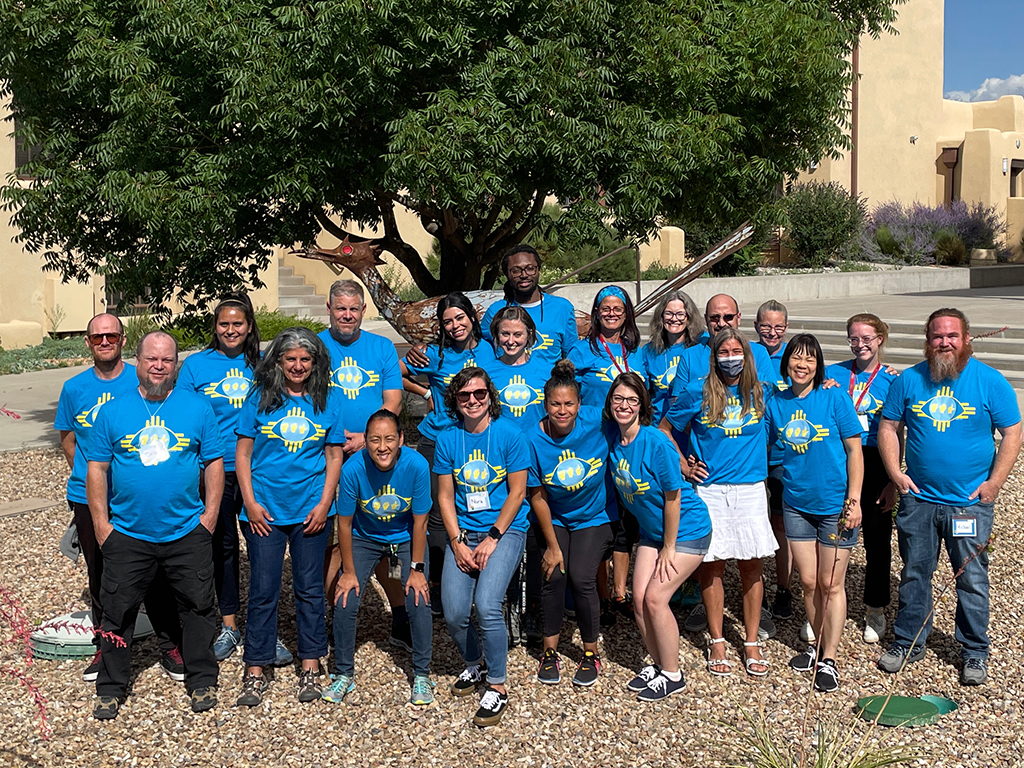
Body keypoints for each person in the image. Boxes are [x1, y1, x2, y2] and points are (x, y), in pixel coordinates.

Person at [877, 308, 1022, 686]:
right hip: (919, 502)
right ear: (928, 341)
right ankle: (908, 641)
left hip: (968, 503)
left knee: (971, 578)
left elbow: (1012, 433)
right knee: (914, 574)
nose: (944, 343)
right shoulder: (909, 380)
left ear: (967, 338)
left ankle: (974, 650)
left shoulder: (990, 381)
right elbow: (889, 427)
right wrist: (895, 473)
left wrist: (993, 485)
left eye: (952, 336)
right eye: (937, 336)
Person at [86, 331, 224, 720]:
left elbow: (213, 463)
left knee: (198, 607)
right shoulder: (113, 411)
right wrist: (101, 524)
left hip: (185, 531)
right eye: (151, 359)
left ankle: (202, 680)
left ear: (176, 364)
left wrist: (209, 516)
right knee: (117, 612)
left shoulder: (198, 408)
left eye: (166, 359)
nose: (158, 366)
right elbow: (97, 468)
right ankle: (111, 688)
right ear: (138, 361)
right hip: (128, 533)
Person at [55, 314, 183, 685]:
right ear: (88, 343)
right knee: (100, 575)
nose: (105, 341)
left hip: (138, 496)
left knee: (157, 571)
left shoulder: (142, 376)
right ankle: (105, 643)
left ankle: (169, 644)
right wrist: (90, 476)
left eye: (111, 335)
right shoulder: (74, 388)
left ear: (124, 340)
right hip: (89, 494)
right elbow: (68, 437)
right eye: (98, 337)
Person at [234, 328, 345, 707]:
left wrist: (324, 502)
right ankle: (256, 667)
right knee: (263, 589)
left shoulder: (328, 399)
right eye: (290, 359)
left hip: (311, 510)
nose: (298, 366)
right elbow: (244, 455)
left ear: (315, 362)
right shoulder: (259, 398)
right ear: (278, 361)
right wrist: (249, 503)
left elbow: (334, 457)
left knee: (310, 589)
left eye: (305, 359)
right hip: (264, 509)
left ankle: (311, 663)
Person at [176, 293, 282, 663]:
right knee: (221, 549)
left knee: (262, 549)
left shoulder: (267, 365)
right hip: (215, 471)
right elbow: (184, 416)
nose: (231, 330)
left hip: (259, 471)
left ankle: (264, 627)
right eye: (224, 324)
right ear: (215, 327)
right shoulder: (196, 367)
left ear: (250, 326)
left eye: (238, 323)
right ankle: (229, 624)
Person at [665, 294, 776, 641]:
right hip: (710, 488)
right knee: (711, 565)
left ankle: (752, 640)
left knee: (752, 564)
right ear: (712, 359)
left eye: (736, 352)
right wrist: (683, 465)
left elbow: (799, 394)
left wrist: (827, 383)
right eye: (724, 354)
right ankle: (716, 641)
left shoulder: (760, 392)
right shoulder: (697, 393)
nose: (731, 358)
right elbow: (665, 430)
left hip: (751, 488)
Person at [765, 334, 864, 693]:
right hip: (796, 504)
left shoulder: (834, 396)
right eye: (796, 358)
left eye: (809, 359)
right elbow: (755, 442)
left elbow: (855, 450)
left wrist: (854, 500)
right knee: (808, 582)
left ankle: (831, 659)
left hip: (836, 506)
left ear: (818, 364)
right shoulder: (776, 402)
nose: (802, 365)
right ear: (786, 362)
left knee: (830, 583)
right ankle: (818, 646)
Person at [434, 367, 530, 727]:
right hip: (463, 532)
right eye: (464, 395)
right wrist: (457, 541)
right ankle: (474, 662)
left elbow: (518, 493)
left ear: (490, 396)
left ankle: (498, 685)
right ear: (455, 401)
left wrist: (492, 537)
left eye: (479, 394)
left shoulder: (510, 435)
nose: (472, 400)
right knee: (455, 611)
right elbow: (445, 496)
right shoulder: (448, 440)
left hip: (504, 531)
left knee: (487, 604)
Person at [606, 372, 711, 701]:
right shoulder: (614, 443)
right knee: (637, 599)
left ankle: (672, 673)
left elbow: (673, 497)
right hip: (654, 533)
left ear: (642, 405)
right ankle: (656, 662)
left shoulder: (656, 442)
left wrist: (668, 547)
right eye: (618, 399)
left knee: (655, 598)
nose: (624, 406)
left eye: (632, 400)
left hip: (686, 531)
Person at [318, 279, 409, 649]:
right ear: (329, 308)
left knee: (387, 536)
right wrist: (339, 439)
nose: (347, 315)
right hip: (326, 456)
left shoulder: (381, 347)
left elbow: (393, 402)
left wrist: (366, 440)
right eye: (341, 308)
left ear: (363, 311)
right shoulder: (315, 346)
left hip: (375, 457)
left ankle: (400, 612)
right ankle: (337, 615)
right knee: (332, 542)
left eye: (354, 309)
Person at [325, 410, 434, 706]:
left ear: (401, 439)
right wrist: (348, 571)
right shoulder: (353, 470)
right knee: (346, 597)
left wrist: (417, 569)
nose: (382, 447)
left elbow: (421, 521)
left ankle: (422, 674)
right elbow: (344, 524)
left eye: (389, 439)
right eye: (374, 439)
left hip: (404, 537)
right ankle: (343, 672)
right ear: (366, 442)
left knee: (418, 596)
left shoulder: (417, 465)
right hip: (365, 537)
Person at [401, 292, 494, 615]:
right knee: (436, 513)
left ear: (471, 316)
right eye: (447, 322)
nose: (455, 326)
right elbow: (394, 372)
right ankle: (440, 584)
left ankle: (482, 579)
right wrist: (426, 390)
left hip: (479, 441)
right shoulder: (434, 354)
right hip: (437, 440)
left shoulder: (492, 349)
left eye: (459, 318)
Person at [527, 360, 616, 687]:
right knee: (554, 574)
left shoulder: (596, 421)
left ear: (580, 404)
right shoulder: (533, 439)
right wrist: (551, 546)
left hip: (595, 516)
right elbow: (537, 495)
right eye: (555, 404)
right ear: (545, 403)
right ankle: (549, 651)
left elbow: (631, 419)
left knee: (581, 577)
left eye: (569, 404)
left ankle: (590, 652)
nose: (562, 410)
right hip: (557, 517)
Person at [569, 286, 646, 620]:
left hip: (630, 444)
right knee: (602, 520)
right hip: (594, 445)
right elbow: (561, 391)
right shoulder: (580, 350)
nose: (612, 313)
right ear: (596, 312)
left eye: (618, 308)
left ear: (627, 313)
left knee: (627, 523)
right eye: (605, 307)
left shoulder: (638, 353)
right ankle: (599, 595)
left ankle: (620, 592)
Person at [824, 313, 898, 645]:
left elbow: (903, 431)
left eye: (867, 338)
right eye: (854, 338)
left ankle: (875, 607)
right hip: (841, 459)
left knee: (878, 540)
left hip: (877, 460)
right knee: (832, 534)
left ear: (880, 338)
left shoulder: (895, 380)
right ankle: (824, 605)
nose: (860, 344)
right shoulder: (834, 373)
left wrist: (894, 479)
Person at [754, 300, 795, 624]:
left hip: (782, 456)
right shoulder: (747, 354)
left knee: (781, 525)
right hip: (751, 455)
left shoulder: (794, 358)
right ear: (756, 326)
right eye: (766, 326)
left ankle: (783, 587)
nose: (772, 332)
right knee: (756, 523)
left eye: (778, 327)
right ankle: (757, 588)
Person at [479, 243, 580, 367]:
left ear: (538, 270)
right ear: (507, 275)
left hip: (549, 384)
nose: (524, 275)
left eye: (530, 268)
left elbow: (572, 356)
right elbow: (480, 349)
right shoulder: (496, 311)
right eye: (515, 271)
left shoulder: (561, 308)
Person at [641, 290, 705, 427]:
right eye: (669, 313)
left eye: (680, 314)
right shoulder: (649, 351)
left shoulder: (701, 346)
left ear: (689, 317)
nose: (674, 319)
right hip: (659, 427)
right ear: (661, 316)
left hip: (693, 430)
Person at [483, 306, 550, 429]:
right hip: (501, 443)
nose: (510, 341)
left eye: (517, 334)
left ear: (529, 334)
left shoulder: (547, 371)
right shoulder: (486, 373)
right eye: (505, 334)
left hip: (536, 443)